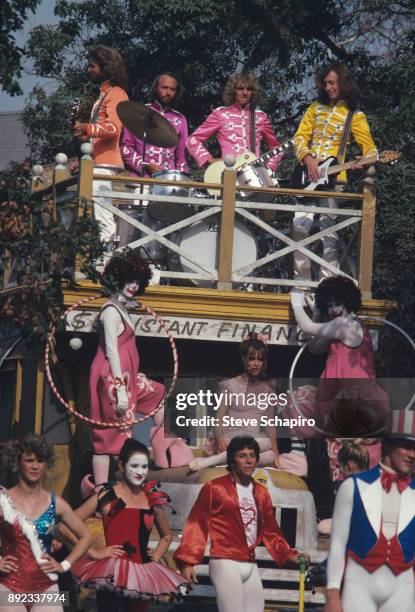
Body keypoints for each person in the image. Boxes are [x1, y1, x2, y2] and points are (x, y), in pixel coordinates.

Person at [87, 251, 192, 490]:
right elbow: (112, 351)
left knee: (159, 393)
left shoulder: (122, 308)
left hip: (128, 376)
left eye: (138, 281)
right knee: (110, 437)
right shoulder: (111, 311)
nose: (134, 286)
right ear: (117, 278)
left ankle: (162, 444)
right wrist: (121, 390)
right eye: (129, 279)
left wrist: (134, 378)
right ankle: (101, 491)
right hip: (112, 379)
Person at [174, 436, 308, 612]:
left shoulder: (261, 492)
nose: (248, 460)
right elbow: (197, 524)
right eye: (242, 455)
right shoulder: (215, 488)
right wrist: (187, 562)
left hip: (250, 564)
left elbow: (271, 530)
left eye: (252, 455)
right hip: (225, 562)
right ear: (232, 459)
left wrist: (289, 554)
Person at [68, 439, 189, 612]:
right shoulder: (106, 496)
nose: (140, 472)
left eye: (144, 467)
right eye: (135, 466)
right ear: (121, 466)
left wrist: (156, 555)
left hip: (142, 574)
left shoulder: (151, 499)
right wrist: (93, 551)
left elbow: (167, 536)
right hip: (111, 573)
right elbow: (65, 525)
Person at [292, 62, 378, 281]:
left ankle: (327, 282)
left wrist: (364, 162)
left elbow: (371, 150)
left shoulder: (355, 115)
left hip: (335, 179)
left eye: (333, 83)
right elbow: (300, 137)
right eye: (325, 83)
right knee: (300, 227)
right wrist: (308, 159)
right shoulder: (315, 108)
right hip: (307, 176)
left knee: (328, 231)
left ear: (343, 83)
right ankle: (300, 282)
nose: (328, 87)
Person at [188, 333, 307, 476]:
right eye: (252, 359)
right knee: (258, 444)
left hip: (254, 440)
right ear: (244, 359)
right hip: (230, 436)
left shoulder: (268, 389)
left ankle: (223, 460)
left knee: (268, 453)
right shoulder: (230, 385)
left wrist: (276, 456)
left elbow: (270, 425)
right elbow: (218, 418)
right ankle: (212, 461)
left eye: (260, 360)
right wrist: (219, 439)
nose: (256, 364)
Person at [0, 434, 91, 612]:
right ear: (18, 462)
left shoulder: (56, 504)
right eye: (29, 460)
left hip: (46, 586)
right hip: (9, 585)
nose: (35, 466)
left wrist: (64, 565)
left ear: (46, 464)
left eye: (40, 460)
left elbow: (86, 536)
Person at [325, 435, 415, 612]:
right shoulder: (353, 486)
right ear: (388, 446)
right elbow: (338, 544)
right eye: (406, 446)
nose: (412, 454)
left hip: (402, 587)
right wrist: (332, 594)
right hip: (359, 583)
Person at [290, 276, 390, 436]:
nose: (334, 309)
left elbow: (307, 327)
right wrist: (316, 313)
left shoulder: (344, 325)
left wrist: (296, 304)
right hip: (339, 395)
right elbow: (314, 348)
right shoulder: (340, 327)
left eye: (338, 304)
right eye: (329, 306)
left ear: (349, 303)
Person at [73, 46, 129, 254]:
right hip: (96, 162)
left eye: (92, 66)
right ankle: (96, 260)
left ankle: (104, 263)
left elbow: (114, 128)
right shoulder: (103, 95)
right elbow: (100, 133)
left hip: (106, 163)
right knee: (93, 215)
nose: (88, 70)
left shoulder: (117, 94)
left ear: (106, 68)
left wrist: (87, 128)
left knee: (103, 215)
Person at [187, 71, 282, 173]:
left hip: (255, 176)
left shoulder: (261, 116)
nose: (245, 93)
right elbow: (192, 140)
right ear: (233, 91)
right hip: (227, 173)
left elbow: (277, 148)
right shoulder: (220, 113)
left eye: (249, 89)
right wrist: (209, 160)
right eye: (240, 89)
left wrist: (269, 168)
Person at [122, 71, 189, 178]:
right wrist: (145, 165)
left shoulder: (180, 119)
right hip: (139, 179)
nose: (168, 92)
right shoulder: (137, 113)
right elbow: (126, 149)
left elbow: (182, 159)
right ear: (155, 88)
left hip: (167, 182)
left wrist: (179, 182)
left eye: (172, 89)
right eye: (164, 87)